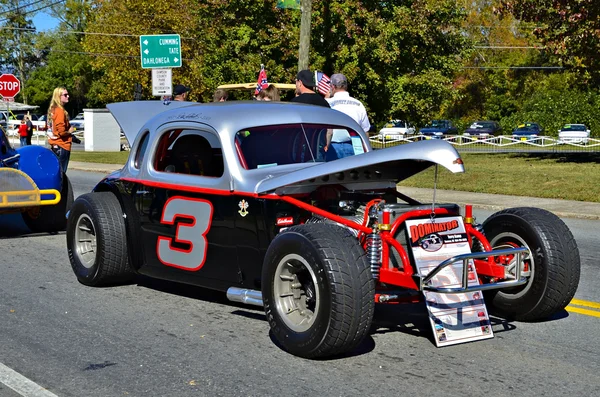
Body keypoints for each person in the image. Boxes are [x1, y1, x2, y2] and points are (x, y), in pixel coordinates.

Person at [325, 73, 371, 160]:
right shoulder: (358, 104)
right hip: (355, 146)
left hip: (332, 147)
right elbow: (365, 131)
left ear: (333, 87)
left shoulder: (327, 103)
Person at [47, 87, 75, 173]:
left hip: (56, 145)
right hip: (62, 145)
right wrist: (70, 131)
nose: (68, 96)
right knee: (61, 174)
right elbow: (61, 131)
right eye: (65, 95)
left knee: (56, 172)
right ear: (58, 96)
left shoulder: (53, 110)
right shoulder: (59, 111)